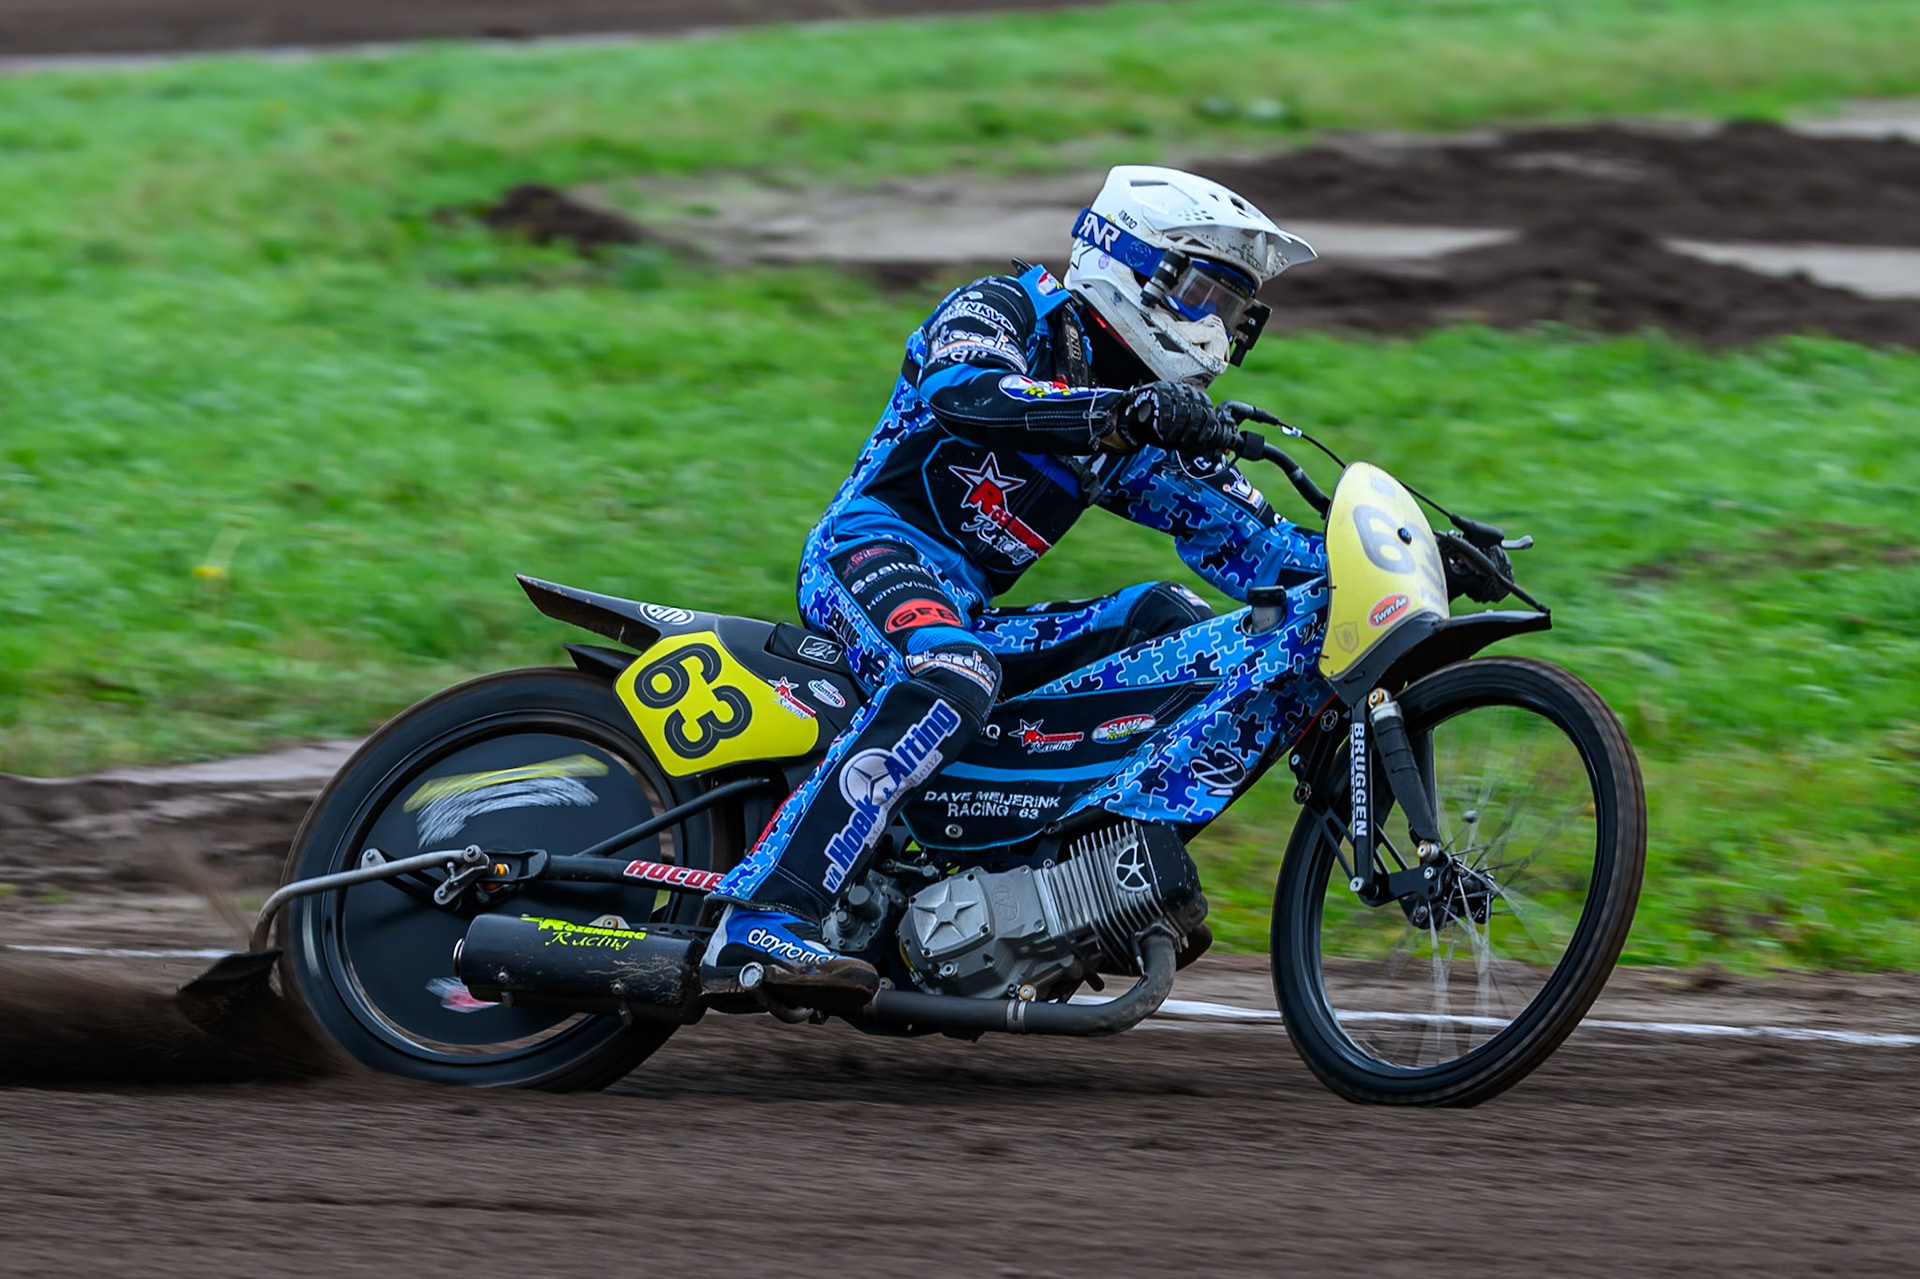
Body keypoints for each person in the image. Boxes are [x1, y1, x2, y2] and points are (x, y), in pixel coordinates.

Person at [700, 166, 1328, 1008]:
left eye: (1234, 313)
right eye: (1205, 294)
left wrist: (1404, 565)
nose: (1216, 330)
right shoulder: (1007, 307)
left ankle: (1055, 874)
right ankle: (762, 915)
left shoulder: (1137, 416)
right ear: (1132, 260)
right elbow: (966, 394)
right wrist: (1116, 413)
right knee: (953, 670)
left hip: (967, 607)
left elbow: (1244, 540)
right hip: (871, 551)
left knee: (1168, 618)